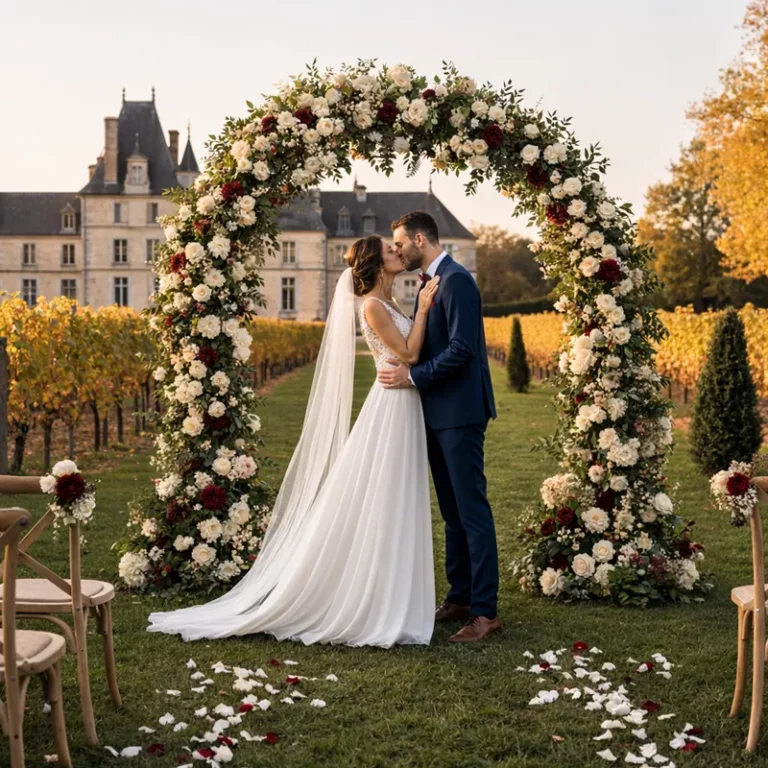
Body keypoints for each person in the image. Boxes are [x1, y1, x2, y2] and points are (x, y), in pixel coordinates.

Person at [147, 235, 440, 647]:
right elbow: (409, 354)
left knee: (397, 497)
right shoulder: (373, 306)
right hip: (392, 405)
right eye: (391, 250)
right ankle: (376, 600)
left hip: (404, 401)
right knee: (386, 495)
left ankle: (395, 597)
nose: (399, 252)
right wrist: (425, 308)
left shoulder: (390, 303)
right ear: (375, 264)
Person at [379, 211, 500, 643]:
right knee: (451, 514)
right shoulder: (429, 283)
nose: (396, 251)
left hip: (461, 413)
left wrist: (412, 377)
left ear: (418, 239)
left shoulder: (457, 281)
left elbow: (462, 351)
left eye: (399, 243)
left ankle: (485, 612)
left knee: (472, 511)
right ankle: (461, 596)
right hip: (436, 414)